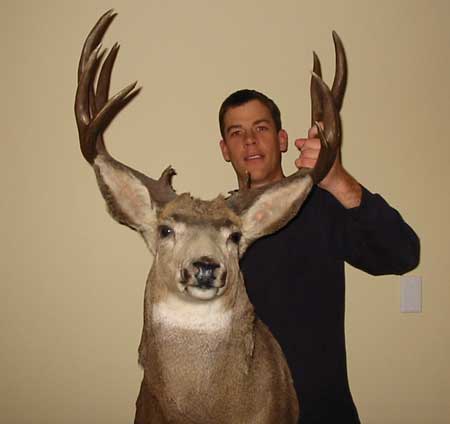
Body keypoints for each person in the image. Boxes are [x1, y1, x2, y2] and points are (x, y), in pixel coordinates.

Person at [218, 89, 420, 423]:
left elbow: (403, 253)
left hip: (322, 411)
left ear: (282, 140)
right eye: (236, 132)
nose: (250, 140)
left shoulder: (320, 206)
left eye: (261, 128)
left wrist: (337, 180)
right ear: (225, 149)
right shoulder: (215, 227)